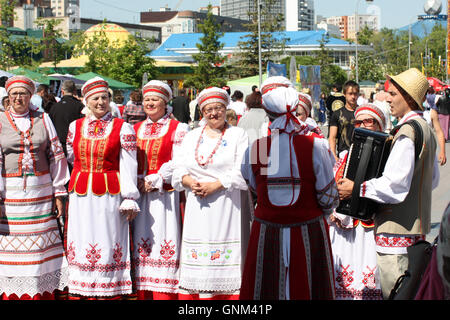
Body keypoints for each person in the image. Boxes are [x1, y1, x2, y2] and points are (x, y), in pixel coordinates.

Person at [337, 68, 440, 299]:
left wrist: (356, 188)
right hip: (415, 234)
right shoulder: (426, 129)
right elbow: (432, 181)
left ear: (409, 97)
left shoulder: (406, 133)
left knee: (396, 293)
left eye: (393, 94)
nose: (388, 99)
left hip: (396, 238)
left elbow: (395, 185)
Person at [240, 76, 339, 300]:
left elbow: (254, 186)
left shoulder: (256, 147)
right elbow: (327, 195)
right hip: (308, 229)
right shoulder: (315, 146)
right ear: (295, 109)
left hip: (267, 229)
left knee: (266, 289)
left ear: (268, 113)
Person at [65, 77, 140, 299]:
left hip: (109, 193)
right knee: (82, 235)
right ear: (87, 101)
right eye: (95, 98)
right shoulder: (75, 126)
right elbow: (71, 156)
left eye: (104, 98)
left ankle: (109, 288)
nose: (101, 102)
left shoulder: (122, 127)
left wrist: (129, 196)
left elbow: (129, 162)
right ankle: (84, 286)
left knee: (108, 236)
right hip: (81, 194)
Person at [172, 87, 249, 300]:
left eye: (218, 108)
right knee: (199, 256)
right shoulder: (191, 136)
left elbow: (243, 170)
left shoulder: (237, 134)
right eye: (208, 110)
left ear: (226, 109)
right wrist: (188, 181)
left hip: (225, 204)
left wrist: (216, 184)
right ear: (201, 113)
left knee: (224, 256)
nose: (213, 113)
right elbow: (178, 167)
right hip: (197, 205)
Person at [0, 75, 70, 300]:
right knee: (13, 251)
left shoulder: (43, 118)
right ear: (8, 98)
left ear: (31, 96)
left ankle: (41, 293)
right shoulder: (0, 120)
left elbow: (56, 155)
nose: (18, 98)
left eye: (22, 94)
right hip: (10, 197)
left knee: (38, 249)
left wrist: (59, 193)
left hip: (41, 193)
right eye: (14, 94)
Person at [132, 80, 189, 300]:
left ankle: (165, 294)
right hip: (140, 196)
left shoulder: (178, 128)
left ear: (165, 103)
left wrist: (155, 179)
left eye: (155, 99)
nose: (150, 103)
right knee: (141, 245)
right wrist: (135, 181)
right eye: (146, 99)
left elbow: (180, 159)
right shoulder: (135, 129)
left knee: (165, 241)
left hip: (165, 197)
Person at [329, 103, 387, 300]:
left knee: (368, 283)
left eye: (368, 121)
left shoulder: (387, 156)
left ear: (379, 125)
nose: (362, 125)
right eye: (358, 122)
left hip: (370, 231)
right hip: (344, 231)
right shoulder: (345, 155)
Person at [48, 80, 84, 158]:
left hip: (58, 146)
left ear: (62, 91)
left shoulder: (54, 107)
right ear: (74, 91)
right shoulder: (80, 106)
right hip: (75, 145)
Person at [328, 80, 360, 161]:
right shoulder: (337, 114)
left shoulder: (362, 113)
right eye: (350, 94)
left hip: (360, 155)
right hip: (343, 155)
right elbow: (332, 137)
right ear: (344, 94)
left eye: (355, 94)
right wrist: (334, 155)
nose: (353, 97)